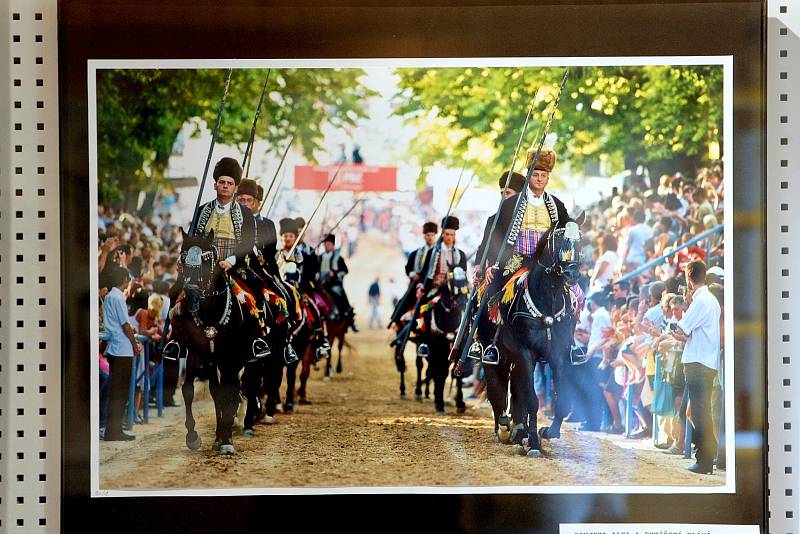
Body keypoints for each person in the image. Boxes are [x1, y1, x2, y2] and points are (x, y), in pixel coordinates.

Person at [470, 149, 571, 363]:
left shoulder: (557, 205)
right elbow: (494, 238)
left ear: (548, 178)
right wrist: (489, 265)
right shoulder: (509, 204)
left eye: (543, 176)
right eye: (535, 175)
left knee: (574, 295)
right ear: (528, 176)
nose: (540, 179)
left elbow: (567, 231)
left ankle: (570, 344)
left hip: (547, 263)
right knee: (489, 290)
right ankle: (486, 343)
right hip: (515, 261)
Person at [670, 259, 721, 474]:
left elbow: (682, 329)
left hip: (698, 362)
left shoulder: (701, 300)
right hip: (706, 361)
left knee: (700, 413)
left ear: (689, 278)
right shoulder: (711, 300)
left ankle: (704, 460)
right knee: (702, 412)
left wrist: (675, 332)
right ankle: (708, 456)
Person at [102, 265, 142, 441]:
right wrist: (135, 344)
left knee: (117, 391)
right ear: (124, 280)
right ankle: (114, 430)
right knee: (120, 392)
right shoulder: (117, 297)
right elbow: (125, 325)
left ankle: (114, 429)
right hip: (122, 348)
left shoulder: (111, 296)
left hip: (116, 346)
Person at [389, 221, 438, 328]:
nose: (430, 237)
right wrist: (412, 274)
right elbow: (408, 268)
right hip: (416, 286)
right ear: (424, 236)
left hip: (433, 286)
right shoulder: (415, 253)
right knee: (403, 304)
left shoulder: (439, 253)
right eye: (428, 235)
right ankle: (397, 324)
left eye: (432, 235)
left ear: (435, 236)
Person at [318, 233, 358, 331]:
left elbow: (345, 271)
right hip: (322, 284)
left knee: (338, 293)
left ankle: (347, 315)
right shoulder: (320, 257)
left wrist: (335, 274)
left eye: (328, 244)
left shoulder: (339, 258)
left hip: (334, 283)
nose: (327, 246)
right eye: (325, 244)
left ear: (333, 245)